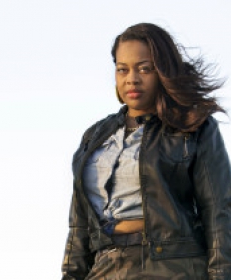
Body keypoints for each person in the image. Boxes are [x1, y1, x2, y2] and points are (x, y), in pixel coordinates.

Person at [61, 23, 231, 279]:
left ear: (162, 71)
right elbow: (79, 226)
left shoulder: (194, 126)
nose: (132, 78)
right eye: (122, 69)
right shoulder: (95, 136)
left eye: (144, 68)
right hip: (105, 268)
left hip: (172, 268)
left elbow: (219, 210)